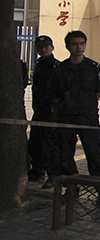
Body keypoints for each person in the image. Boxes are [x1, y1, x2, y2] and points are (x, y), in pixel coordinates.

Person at [48, 30, 100, 205]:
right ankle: (71, 187)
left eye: (82, 43)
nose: (79, 47)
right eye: (75, 44)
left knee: (94, 154)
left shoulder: (94, 67)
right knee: (64, 155)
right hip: (66, 117)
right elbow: (54, 92)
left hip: (87, 118)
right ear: (68, 46)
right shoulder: (60, 69)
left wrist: (88, 104)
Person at [28, 35, 61, 188]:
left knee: (50, 144)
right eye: (40, 47)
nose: (43, 50)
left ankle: (53, 174)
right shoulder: (40, 64)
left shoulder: (56, 67)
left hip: (51, 111)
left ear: (52, 48)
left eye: (46, 47)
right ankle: (37, 170)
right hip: (39, 111)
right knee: (36, 142)